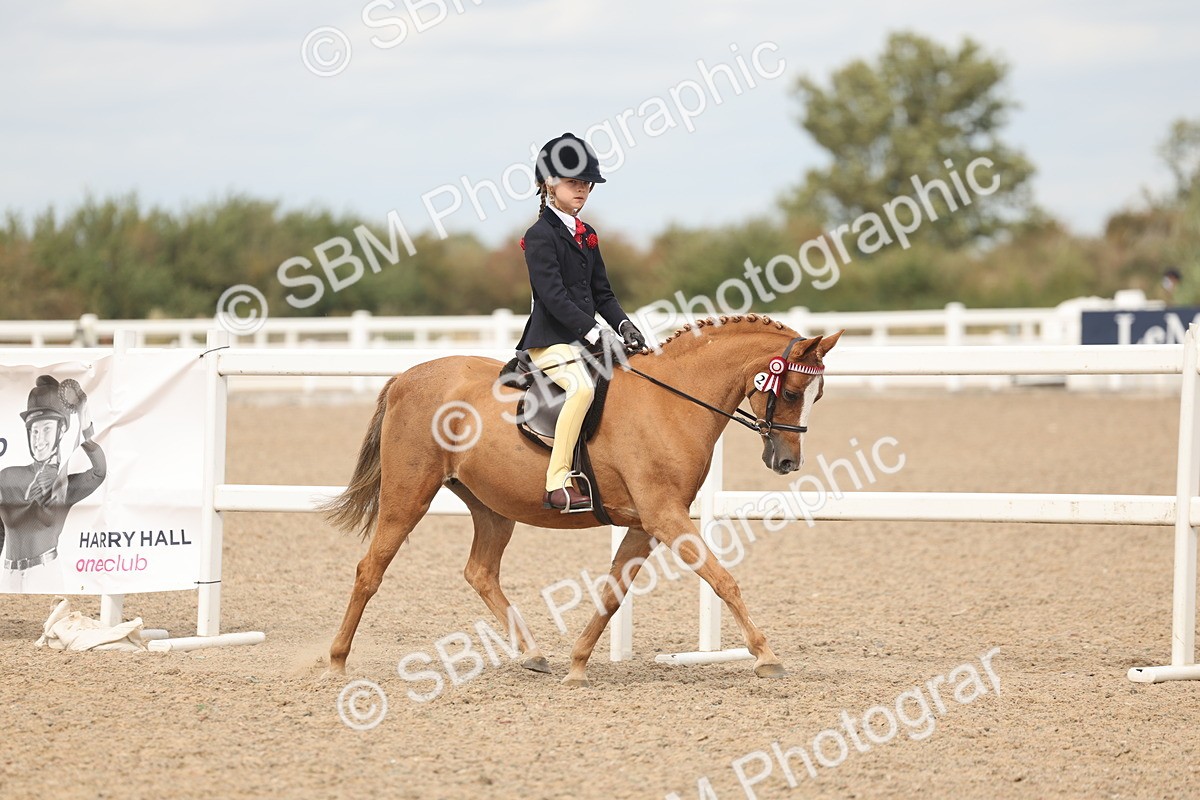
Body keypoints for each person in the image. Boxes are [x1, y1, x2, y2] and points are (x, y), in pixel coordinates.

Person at [516, 132, 646, 512]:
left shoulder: (586, 234)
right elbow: (553, 298)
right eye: (574, 183)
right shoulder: (539, 236)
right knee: (582, 390)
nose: (582, 191)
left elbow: (602, 294)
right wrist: (595, 333)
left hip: (584, 341)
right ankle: (557, 482)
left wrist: (624, 326)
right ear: (548, 184)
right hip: (549, 342)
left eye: (586, 184)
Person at [0, 375, 106, 576]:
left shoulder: (64, 485)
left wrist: (85, 426)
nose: (38, 440)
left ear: (62, 428)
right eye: (34, 431)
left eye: (46, 428)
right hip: (8, 576)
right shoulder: (7, 476)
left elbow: (99, 472)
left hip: (45, 573)